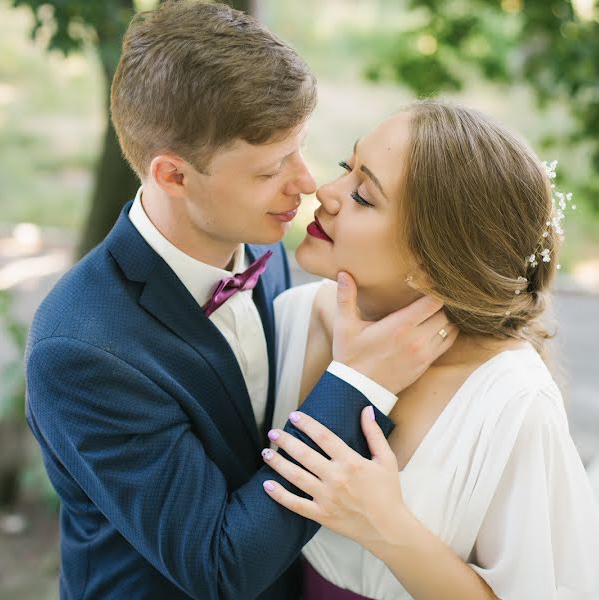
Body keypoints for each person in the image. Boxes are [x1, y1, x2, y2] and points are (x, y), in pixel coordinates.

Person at [23, 3, 456, 599]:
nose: (306, 183)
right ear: (173, 175)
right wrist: (359, 382)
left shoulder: (263, 241)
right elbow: (218, 567)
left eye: (300, 149)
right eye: (271, 168)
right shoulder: (81, 350)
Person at [261, 101, 599, 599]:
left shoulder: (511, 401)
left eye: (363, 195)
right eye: (347, 168)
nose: (326, 192)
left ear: (434, 264)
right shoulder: (295, 318)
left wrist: (386, 526)